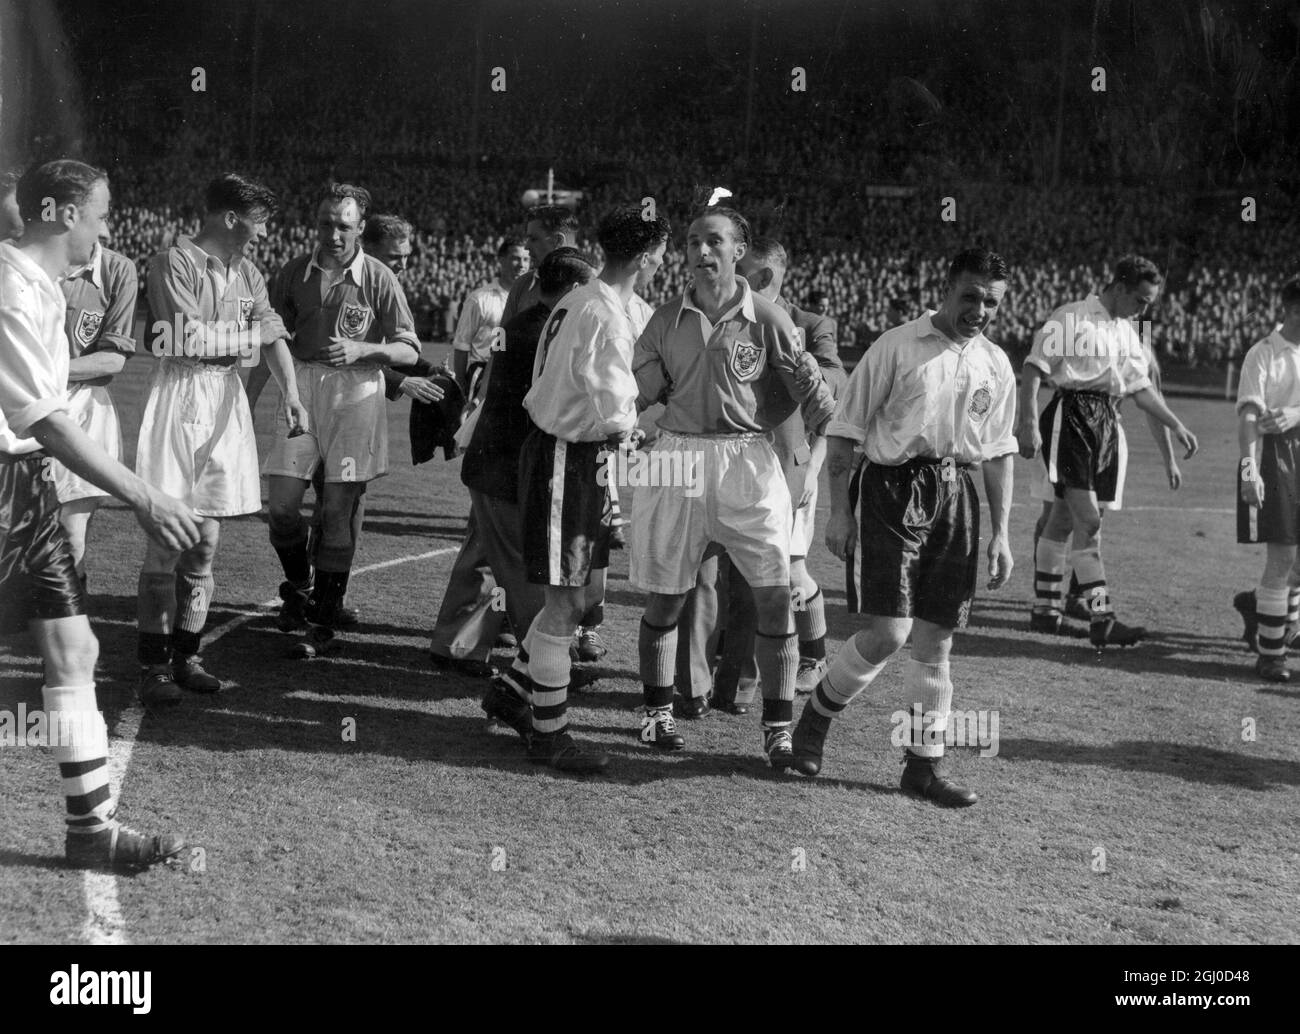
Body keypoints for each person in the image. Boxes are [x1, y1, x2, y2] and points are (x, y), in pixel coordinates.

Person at [0, 159, 200, 868]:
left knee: (74, 649)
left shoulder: (46, 287)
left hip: (24, 485)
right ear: (57, 211)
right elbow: (49, 421)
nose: (107, 229)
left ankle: (90, 833)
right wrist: (144, 494)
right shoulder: (11, 289)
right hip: (5, 481)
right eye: (102, 214)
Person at [789, 247, 1017, 806]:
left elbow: (999, 451)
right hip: (894, 490)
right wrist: (841, 512)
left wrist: (1003, 533)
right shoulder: (896, 347)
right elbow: (844, 430)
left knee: (937, 639)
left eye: (991, 301)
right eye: (970, 296)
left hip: (956, 493)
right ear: (947, 289)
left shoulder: (995, 362)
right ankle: (815, 719)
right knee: (889, 633)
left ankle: (924, 766)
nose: (979, 309)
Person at [630, 208, 835, 764]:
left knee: (773, 596)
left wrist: (811, 394)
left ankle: (778, 728)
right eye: (694, 241)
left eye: (714, 241)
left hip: (748, 459)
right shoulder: (663, 320)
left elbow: (816, 404)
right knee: (668, 595)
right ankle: (656, 714)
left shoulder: (769, 318)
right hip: (678, 459)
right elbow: (642, 394)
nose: (701, 250)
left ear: (738, 250)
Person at [136, 173, 303, 703]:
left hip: (225, 396)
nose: (262, 233)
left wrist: (292, 395)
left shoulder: (249, 272)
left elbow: (274, 334)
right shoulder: (173, 263)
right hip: (181, 393)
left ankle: (188, 656)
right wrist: (255, 335)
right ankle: (154, 668)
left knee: (206, 542)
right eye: (259, 222)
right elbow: (189, 337)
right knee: (168, 539)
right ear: (231, 218)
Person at [515, 205, 670, 772]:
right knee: (567, 603)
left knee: (574, 598)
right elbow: (613, 409)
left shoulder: (579, 298)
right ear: (649, 256)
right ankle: (548, 735)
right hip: (570, 457)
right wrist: (642, 437)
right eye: (659, 255)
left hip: (572, 455)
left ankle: (512, 693)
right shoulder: (603, 313)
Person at [264, 183, 419, 659]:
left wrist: (364, 349)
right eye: (326, 223)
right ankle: (300, 581)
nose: (334, 234)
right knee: (282, 507)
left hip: (356, 390)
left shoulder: (377, 277)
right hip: (303, 388)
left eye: (344, 226)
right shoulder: (292, 273)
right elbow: (270, 338)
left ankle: (323, 620)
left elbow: (409, 347)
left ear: (360, 228)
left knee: (336, 512)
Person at [1018, 255, 1198, 646]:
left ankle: (1046, 612)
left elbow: (1141, 388)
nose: (1145, 309)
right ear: (1119, 287)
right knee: (1089, 521)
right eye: (1141, 300)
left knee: (1065, 518)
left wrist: (1176, 424)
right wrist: (1028, 422)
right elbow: (1033, 369)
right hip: (1072, 415)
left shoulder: (1127, 331)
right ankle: (1102, 617)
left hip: (1105, 423)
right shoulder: (1071, 317)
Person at [470, 247, 597, 741]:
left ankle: (516, 689)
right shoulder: (546, 331)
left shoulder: (526, 322)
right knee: (531, 593)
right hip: (508, 475)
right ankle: (532, 707)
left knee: (546, 590)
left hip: (500, 469)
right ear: (569, 287)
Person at [50, 232, 138, 586]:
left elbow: (113, 359)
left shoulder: (117, 270)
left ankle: (69, 630)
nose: (105, 227)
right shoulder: (24, 261)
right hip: (21, 405)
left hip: (84, 407)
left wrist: (45, 370)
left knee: (72, 534)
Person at [1234, 279, 1300, 682]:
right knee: (1283, 558)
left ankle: (1260, 609)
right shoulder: (1263, 355)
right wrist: (1249, 471)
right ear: (1294, 310)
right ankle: (1271, 655)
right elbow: (1248, 418)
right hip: (1279, 459)